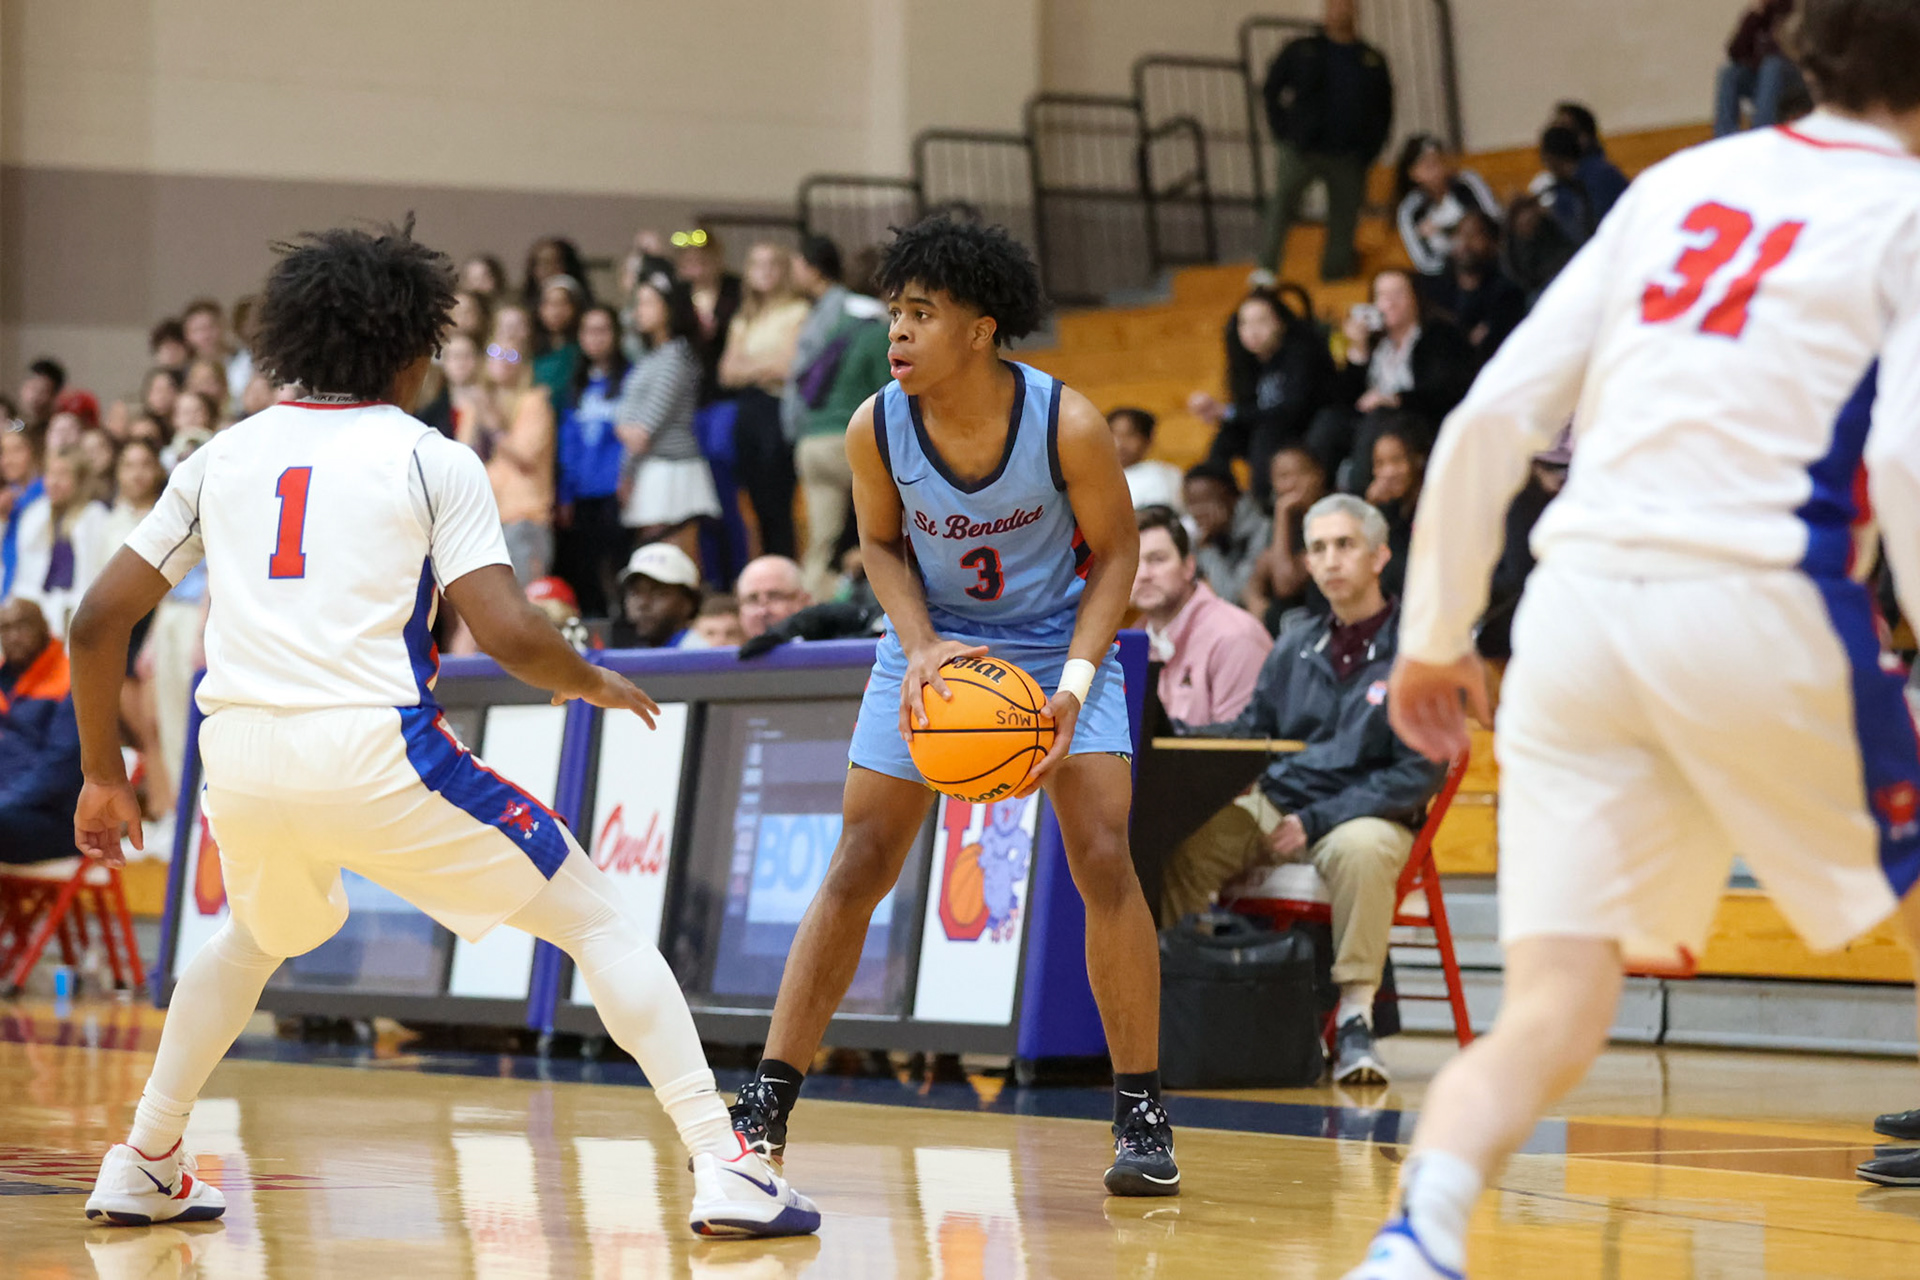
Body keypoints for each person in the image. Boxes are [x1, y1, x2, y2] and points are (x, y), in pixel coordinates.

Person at [67, 218, 817, 1237]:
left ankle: (148, 1154)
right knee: (593, 917)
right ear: (413, 347)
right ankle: (730, 1166)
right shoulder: (429, 456)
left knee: (254, 937)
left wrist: (104, 775)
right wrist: (591, 677)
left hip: (237, 756)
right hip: (375, 747)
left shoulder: (219, 456)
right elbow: (507, 629)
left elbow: (96, 618)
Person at [1346, 5, 1920, 1272]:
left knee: (1557, 1004)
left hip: (1575, 616)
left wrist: (1435, 633)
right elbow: (1901, 452)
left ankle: (1418, 1233)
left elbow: (1492, 411)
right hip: (1760, 597)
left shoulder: (1681, 183)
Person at [729, 215, 1181, 1198]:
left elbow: (1120, 558)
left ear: (979, 328)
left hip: (1059, 640)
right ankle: (765, 1101)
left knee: (1104, 848)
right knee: (859, 858)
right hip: (930, 642)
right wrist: (924, 644)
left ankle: (1141, 1109)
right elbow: (881, 547)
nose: (898, 332)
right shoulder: (873, 423)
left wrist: (1071, 680)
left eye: (921, 314)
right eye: (894, 312)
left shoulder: (1067, 424)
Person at [1167, 495, 1444, 1086]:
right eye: (1317, 548)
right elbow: (1250, 734)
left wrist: (1318, 819)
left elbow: (1418, 773)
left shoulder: (1418, 652)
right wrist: (1172, 733)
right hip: (1280, 802)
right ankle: (1186, 998)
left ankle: (1355, 1021)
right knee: (1184, 840)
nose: (1329, 560)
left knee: (1361, 851)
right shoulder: (1293, 643)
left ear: (1379, 556)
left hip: (1368, 812)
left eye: (1344, 545)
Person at [1255, 0, 1394, 285]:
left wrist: (1370, 148)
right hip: (1302, 148)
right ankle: (1267, 268)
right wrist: (1283, 132)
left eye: (1345, 5)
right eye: (1333, 5)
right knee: (1282, 202)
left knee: (1344, 215)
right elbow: (1271, 90)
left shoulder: (1370, 59)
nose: (1339, 11)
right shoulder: (1302, 50)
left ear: (1356, 10)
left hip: (1348, 153)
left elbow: (1383, 109)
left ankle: (1336, 274)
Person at [785, 236, 892, 601]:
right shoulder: (880, 332)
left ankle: (813, 605)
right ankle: (885, 604)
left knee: (820, 542)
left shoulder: (836, 326)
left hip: (811, 441)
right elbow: (891, 396)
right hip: (849, 443)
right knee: (894, 523)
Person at [1333, 268, 1475, 495]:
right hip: (1371, 422)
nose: (1389, 303)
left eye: (1398, 294)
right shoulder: (1374, 343)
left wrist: (1395, 399)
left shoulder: (1440, 336)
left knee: (1378, 419)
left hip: (1419, 421)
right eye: (1382, 296)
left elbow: (1446, 391)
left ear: (1415, 298)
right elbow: (1345, 400)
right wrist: (1357, 352)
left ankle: (1360, 497)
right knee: (1328, 423)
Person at [1193, 289, 1338, 501]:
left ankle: (1263, 502)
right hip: (1269, 427)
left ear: (1280, 322)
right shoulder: (1245, 363)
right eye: (1245, 323)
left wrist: (1229, 412)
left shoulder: (1301, 352)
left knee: (1265, 433)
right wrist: (1221, 413)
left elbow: (1294, 408)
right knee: (1225, 439)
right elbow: (1247, 411)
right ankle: (1225, 501)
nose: (1252, 331)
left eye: (1261, 321)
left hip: (1304, 426)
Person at [1131, 505, 1271, 725]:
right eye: (1132, 562)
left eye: (1157, 559)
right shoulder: (1130, 641)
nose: (1143, 574)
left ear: (1189, 566)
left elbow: (1241, 750)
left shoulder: (1234, 637)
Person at [618, 265, 721, 560]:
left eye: (648, 303)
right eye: (638, 303)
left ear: (669, 308)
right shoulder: (650, 356)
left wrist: (623, 429)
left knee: (675, 561)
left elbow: (643, 430)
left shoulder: (677, 357)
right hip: (649, 467)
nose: (639, 311)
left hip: (673, 468)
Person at [719, 242, 811, 561]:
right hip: (749, 410)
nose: (765, 271)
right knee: (755, 502)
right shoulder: (744, 317)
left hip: (778, 409)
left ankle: (785, 565)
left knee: (779, 499)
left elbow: (787, 367)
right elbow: (726, 373)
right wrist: (762, 367)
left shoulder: (799, 311)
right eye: (757, 264)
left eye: (772, 263)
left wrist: (749, 365)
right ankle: (769, 563)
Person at [554, 305, 632, 619]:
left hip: (616, 488)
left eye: (603, 330)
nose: (595, 338)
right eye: (588, 330)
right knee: (585, 569)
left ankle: (627, 625)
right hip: (581, 491)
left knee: (620, 564)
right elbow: (567, 445)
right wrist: (565, 494)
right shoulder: (575, 385)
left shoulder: (631, 378)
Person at [459, 330, 554, 583]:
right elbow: (464, 457)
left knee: (523, 602)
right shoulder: (475, 405)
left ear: (523, 364)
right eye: (494, 352)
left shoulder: (535, 402)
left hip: (523, 516)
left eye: (511, 355)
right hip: (483, 518)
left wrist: (492, 421)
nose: (501, 359)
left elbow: (525, 458)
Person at [0, 598, 83, 865]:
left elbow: (60, 767)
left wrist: (6, 800)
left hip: (55, 818)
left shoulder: (71, 680)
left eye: (22, 626)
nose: (13, 637)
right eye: (4, 629)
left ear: (45, 628)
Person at [13, 447, 112, 637]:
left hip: (74, 615)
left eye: (63, 475)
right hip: (37, 614)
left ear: (80, 480)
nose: (54, 482)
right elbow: (25, 572)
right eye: (50, 473)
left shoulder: (94, 516)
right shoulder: (35, 514)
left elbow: (95, 572)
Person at [1242, 444, 1332, 633]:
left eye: (1301, 473)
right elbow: (1255, 579)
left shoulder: (1335, 517)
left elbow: (1285, 583)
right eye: (1283, 477)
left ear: (1319, 474)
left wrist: (1281, 513)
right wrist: (1254, 600)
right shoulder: (1282, 523)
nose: (1292, 484)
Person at [1424, 211, 1530, 369]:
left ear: (1494, 243)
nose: (1465, 243)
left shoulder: (1508, 293)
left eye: (1475, 235)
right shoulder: (1436, 292)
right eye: (1460, 234)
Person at [1393, 134, 1500, 279]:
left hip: (1488, 262)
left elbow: (1494, 220)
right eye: (1428, 166)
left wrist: (1445, 229)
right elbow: (1423, 262)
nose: (1437, 171)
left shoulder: (1468, 183)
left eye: (1439, 162)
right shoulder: (1411, 210)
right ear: (1413, 173)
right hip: (1445, 276)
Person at [1183, 460, 1268, 607]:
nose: (1198, 512)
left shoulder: (1261, 529)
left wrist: (1207, 549)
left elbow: (1233, 597)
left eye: (1205, 501)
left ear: (1231, 497)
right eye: (1192, 503)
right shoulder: (1202, 534)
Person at [1717, 0, 1807, 135]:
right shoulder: (1759, 17)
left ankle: (1760, 133)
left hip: (1795, 78)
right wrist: (1754, 18)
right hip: (1763, 80)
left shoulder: (1795, 12)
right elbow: (1735, 52)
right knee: (1730, 73)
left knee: (1772, 66)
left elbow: (1790, 52)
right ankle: (1725, 136)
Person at [676, 231, 743, 404]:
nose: (699, 268)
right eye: (692, 261)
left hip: (726, 382)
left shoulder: (735, 289)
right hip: (689, 381)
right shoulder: (679, 294)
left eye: (704, 261)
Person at [1364, 417, 1426, 601]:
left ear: (1418, 459)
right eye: (1380, 464)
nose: (1388, 472)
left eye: (1397, 460)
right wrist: (1369, 507)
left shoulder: (1434, 502)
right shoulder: (1385, 507)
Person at [1546, 101, 1630, 224]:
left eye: (1563, 132)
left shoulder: (1601, 176)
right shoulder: (1564, 179)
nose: (1556, 138)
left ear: (1584, 137)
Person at [608, 542, 702, 649]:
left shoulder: (698, 653)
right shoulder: (631, 651)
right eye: (635, 593)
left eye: (659, 594)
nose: (643, 603)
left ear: (688, 603)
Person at [2, 422, 47, 599]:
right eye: (3, 452)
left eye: (17, 450)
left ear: (33, 452)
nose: (8, 459)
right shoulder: (6, 500)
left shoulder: (47, 496)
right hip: (6, 598)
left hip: (35, 597)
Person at [1108, 408, 1184, 511]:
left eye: (1130, 435)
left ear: (1148, 440)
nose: (1120, 444)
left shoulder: (1159, 475)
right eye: (1113, 434)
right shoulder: (1097, 477)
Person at [531, 274, 585, 400]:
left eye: (562, 303)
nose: (556, 311)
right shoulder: (532, 346)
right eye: (549, 304)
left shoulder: (582, 348)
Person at [734, 554, 811, 640]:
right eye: (752, 599)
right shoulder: (726, 650)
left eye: (774, 597)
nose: (762, 611)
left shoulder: (825, 650)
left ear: (804, 601)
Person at [18, 358, 66, 431]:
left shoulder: (60, 430)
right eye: (31, 388)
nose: (34, 397)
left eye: (42, 391)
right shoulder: (11, 427)